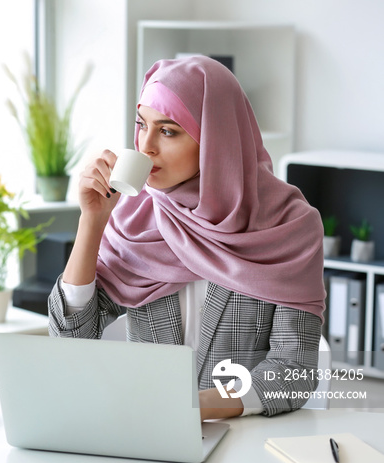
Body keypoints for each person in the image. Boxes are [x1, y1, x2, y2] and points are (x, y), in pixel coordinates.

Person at [48, 55, 326, 420]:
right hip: (146, 438)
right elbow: (70, 341)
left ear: (216, 139)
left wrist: (195, 408)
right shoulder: (134, 220)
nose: (144, 146)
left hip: (248, 444)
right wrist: (91, 222)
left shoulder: (288, 227)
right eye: (141, 124)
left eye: (167, 131)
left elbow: (293, 370)